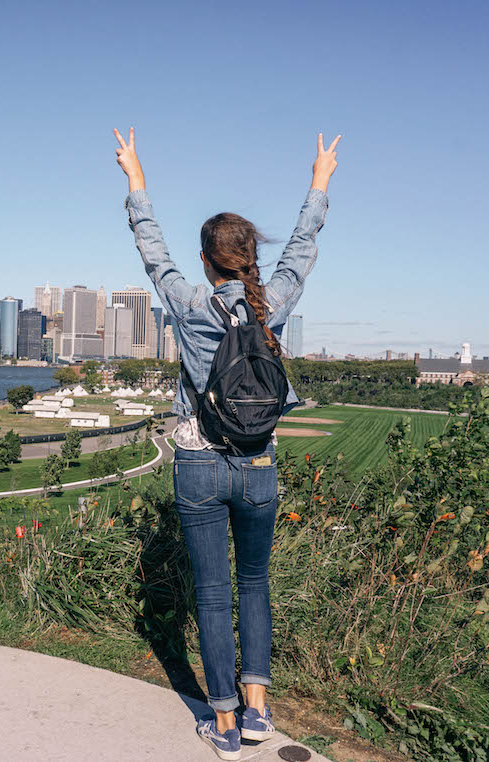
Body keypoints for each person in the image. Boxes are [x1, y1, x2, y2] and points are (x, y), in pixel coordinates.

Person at [114, 127, 340, 760]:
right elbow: (302, 248)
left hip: (198, 464)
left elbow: (151, 251)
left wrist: (135, 178)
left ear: (207, 261)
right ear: (249, 258)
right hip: (259, 465)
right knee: (255, 585)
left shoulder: (189, 305)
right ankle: (259, 710)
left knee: (212, 594)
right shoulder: (276, 304)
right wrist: (320, 181)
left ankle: (223, 723)